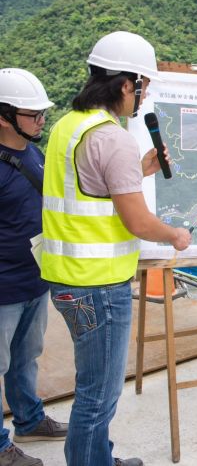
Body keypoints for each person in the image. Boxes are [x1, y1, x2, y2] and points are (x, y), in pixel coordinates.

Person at [41, 31, 192, 466]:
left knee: (93, 386)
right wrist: (175, 235)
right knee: (99, 394)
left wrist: (139, 171)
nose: (144, 96)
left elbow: (91, 193)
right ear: (127, 84)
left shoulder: (68, 127)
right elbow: (138, 222)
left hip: (67, 280)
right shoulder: (114, 138)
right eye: (144, 84)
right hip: (101, 288)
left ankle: (98, 458)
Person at [0, 69, 68, 466]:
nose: (42, 121)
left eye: (43, 114)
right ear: (4, 115)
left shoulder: (34, 154)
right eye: (34, 114)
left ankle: (28, 419)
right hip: (3, 286)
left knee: (27, 357)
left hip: (32, 280)